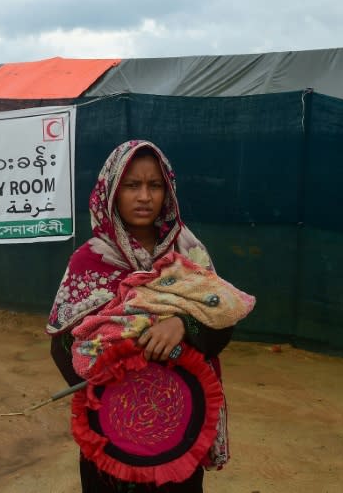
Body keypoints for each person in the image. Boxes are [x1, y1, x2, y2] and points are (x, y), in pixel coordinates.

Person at [47, 139, 237, 492]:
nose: (145, 196)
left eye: (154, 185)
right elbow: (62, 345)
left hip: (179, 421)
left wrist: (183, 324)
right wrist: (113, 381)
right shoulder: (90, 262)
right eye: (132, 185)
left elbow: (222, 322)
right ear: (112, 192)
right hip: (113, 427)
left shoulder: (189, 253)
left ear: (168, 191)